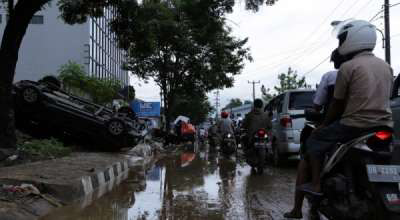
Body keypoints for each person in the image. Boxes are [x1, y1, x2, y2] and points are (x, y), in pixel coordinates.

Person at [301, 19, 393, 196]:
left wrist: (324, 125)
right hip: (384, 126)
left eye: (342, 40)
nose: (340, 44)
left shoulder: (348, 67)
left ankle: (316, 185)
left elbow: (337, 103)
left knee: (314, 140)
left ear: (352, 39)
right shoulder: (386, 67)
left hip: (354, 126)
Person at [284, 48, 342, 219]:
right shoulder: (383, 68)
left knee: (308, 154)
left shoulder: (334, 76)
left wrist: (323, 122)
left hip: (343, 125)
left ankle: (298, 207)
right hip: (380, 125)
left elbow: (320, 105)